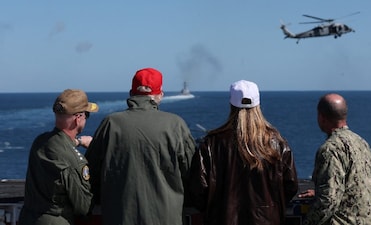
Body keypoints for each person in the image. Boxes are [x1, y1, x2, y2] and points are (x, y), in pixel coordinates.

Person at [85, 67, 196, 225]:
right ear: (160, 94)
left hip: (119, 216)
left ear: (131, 93)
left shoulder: (110, 123)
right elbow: (191, 172)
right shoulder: (175, 124)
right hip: (165, 217)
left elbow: (91, 171)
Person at [187, 80, 298, 225]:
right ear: (258, 105)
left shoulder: (211, 144)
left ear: (231, 105)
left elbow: (198, 190)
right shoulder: (277, 143)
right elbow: (290, 186)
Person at [19, 89, 99, 225]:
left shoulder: (40, 142)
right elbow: (83, 206)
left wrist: (78, 141)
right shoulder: (74, 161)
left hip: (28, 218)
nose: (86, 119)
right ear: (78, 118)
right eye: (86, 115)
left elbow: (59, 144)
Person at [299, 93, 371, 225]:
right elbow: (354, 184)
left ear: (321, 117)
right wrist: (319, 192)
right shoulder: (361, 142)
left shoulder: (330, 149)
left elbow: (328, 200)